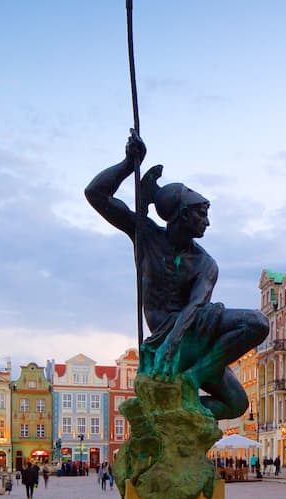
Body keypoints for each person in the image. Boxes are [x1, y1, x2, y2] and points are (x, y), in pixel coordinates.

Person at [85, 132, 268, 419]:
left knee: (237, 403)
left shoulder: (205, 263)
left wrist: (173, 348)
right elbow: (95, 194)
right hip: (166, 331)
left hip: (192, 330)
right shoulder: (146, 235)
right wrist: (128, 164)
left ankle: (187, 386)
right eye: (201, 214)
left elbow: (196, 305)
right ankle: (178, 400)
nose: (207, 222)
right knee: (255, 324)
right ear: (181, 214)